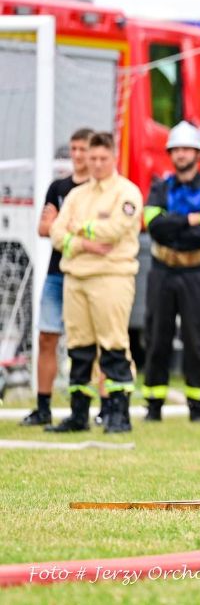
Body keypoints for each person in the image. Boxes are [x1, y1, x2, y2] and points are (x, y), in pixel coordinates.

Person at [44, 132, 143, 434]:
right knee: (79, 348)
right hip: (76, 277)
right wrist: (85, 243)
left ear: (114, 158)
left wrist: (81, 228)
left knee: (113, 346)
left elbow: (115, 229)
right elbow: (57, 233)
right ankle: (78, 414)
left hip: (111, 277)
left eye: (103, 158)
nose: (97, 164)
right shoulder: (77, 195)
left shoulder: (126, 193)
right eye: (93, 158)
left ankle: (118, 413)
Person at [141, 122, 200, 423]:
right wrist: (188, 221)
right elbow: (154, 226)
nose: (180, 155)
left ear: (198, 153)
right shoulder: (160, 187)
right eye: (176, 149)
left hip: (196, 272)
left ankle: (197, 406)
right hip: (162, 270)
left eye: (186, 149)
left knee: (197, 337)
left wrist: (174, 223)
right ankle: (153, 405)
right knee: (156, 336)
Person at [20, 128, 93, 427]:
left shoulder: (99, 191)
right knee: (47, 337)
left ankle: (96, 406)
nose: (77, 155)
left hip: (88, 274)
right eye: (73, 149)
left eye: (83, 149)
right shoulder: (58, 187)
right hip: (56, 273)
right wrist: (67, 228)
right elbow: (43, 228)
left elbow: (93, 231)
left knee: (90, 344)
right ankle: (43, 406)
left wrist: (62, 227)